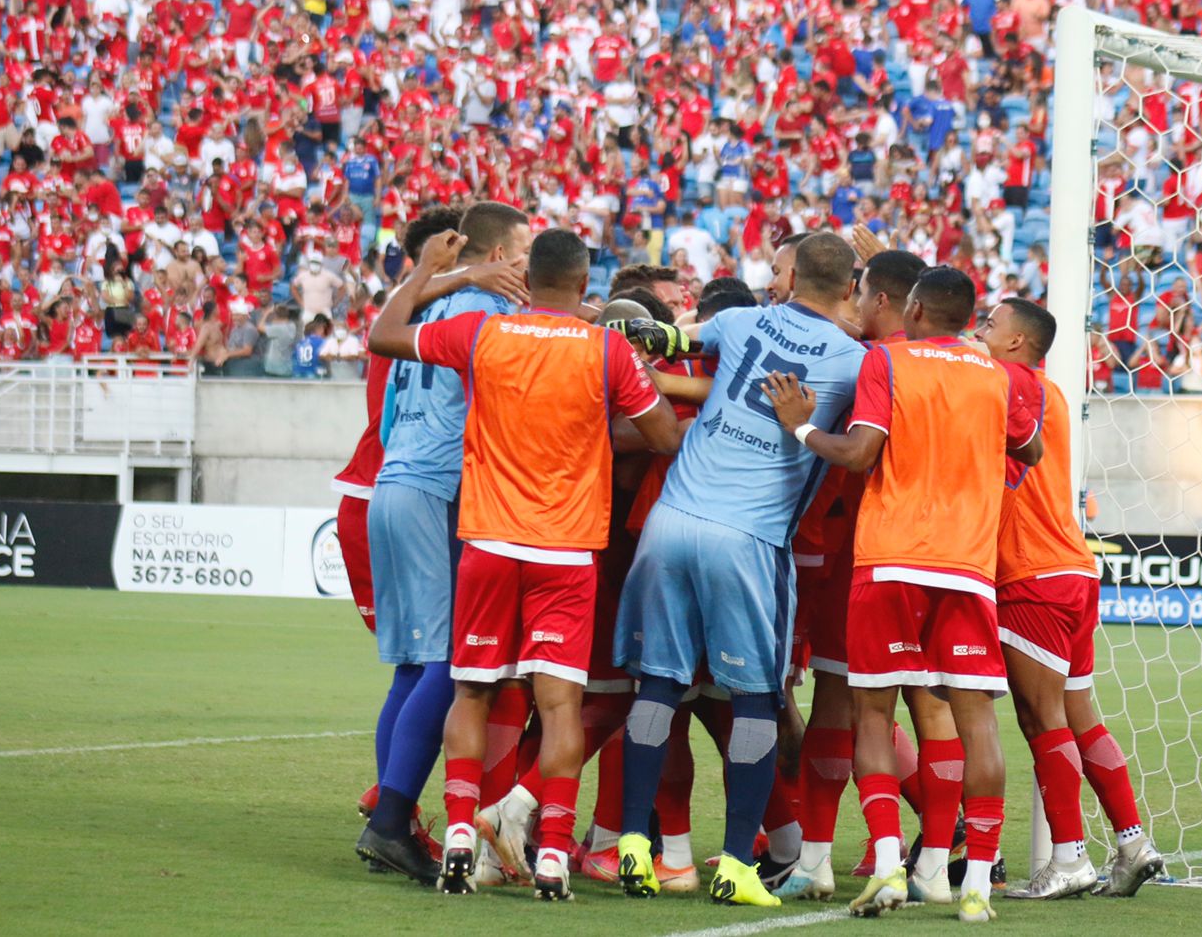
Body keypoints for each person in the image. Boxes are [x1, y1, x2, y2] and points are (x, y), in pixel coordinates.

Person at [368, 226, 680, 900]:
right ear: (584, 282)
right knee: (561, 703)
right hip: (565, 550)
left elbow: (385, 333)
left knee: (475, 689)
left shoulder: (484, 332)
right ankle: (552, 856)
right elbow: (662, 436)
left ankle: (457, 834)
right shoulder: (605, 351)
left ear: (527, 277)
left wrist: (429, 270)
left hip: (487, 543)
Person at [762, 267, 1043, 922]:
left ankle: (887, 867)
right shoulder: (993, 373)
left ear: (911, 307)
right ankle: (973, 880)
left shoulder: (886, 363)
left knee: (869, 714)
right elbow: (1026, 447)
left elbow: (859, 454)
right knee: (973, 722)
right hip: (967, 564)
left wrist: (800, 427)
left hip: (889, 558)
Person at [613, 232, 867, 908]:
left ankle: (633, 845)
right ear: (848, 290)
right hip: (748, 539)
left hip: (670, 522)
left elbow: (663, 338)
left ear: (786, 278)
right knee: (756, 699)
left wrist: (633, 338)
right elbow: (861, 448)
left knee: (659, 685)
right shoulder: (855, 361)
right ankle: (735, 863)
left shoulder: (737, 320)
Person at [353, 202, 529, 885]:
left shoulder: (423, 308)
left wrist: (436, 277)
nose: (526, 263)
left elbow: (385, 346)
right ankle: (391, 820)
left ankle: (392, 814)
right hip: (434, 485)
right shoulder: (490, 317)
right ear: (493, 258)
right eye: (520, 251)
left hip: (395, 482)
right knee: (453, 665)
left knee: (411, 665)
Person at [978, 299, 1165, 899]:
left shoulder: (1004, 382)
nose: (980, 330)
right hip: (1074, 569)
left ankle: (1069, 858)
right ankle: (1133, 843)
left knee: (1041, 720)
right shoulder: (1050, 392)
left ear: (1016, 342)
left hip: (1030, 574)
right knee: (1082, 714)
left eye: (990, 324)